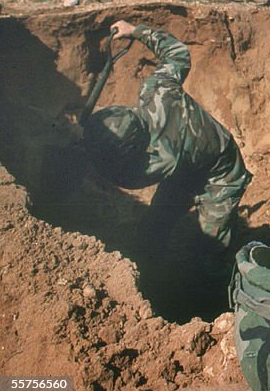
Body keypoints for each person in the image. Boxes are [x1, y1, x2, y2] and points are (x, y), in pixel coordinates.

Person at [82, 20, 251, 251]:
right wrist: (136, 31)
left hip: (221, 170)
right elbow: (177, 52)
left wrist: (90, 160)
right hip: (187, 167)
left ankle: (214, 282)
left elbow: (125, 179)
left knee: (210, 244)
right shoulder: (157, 90)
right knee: (152, 228)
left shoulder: (161, 160)